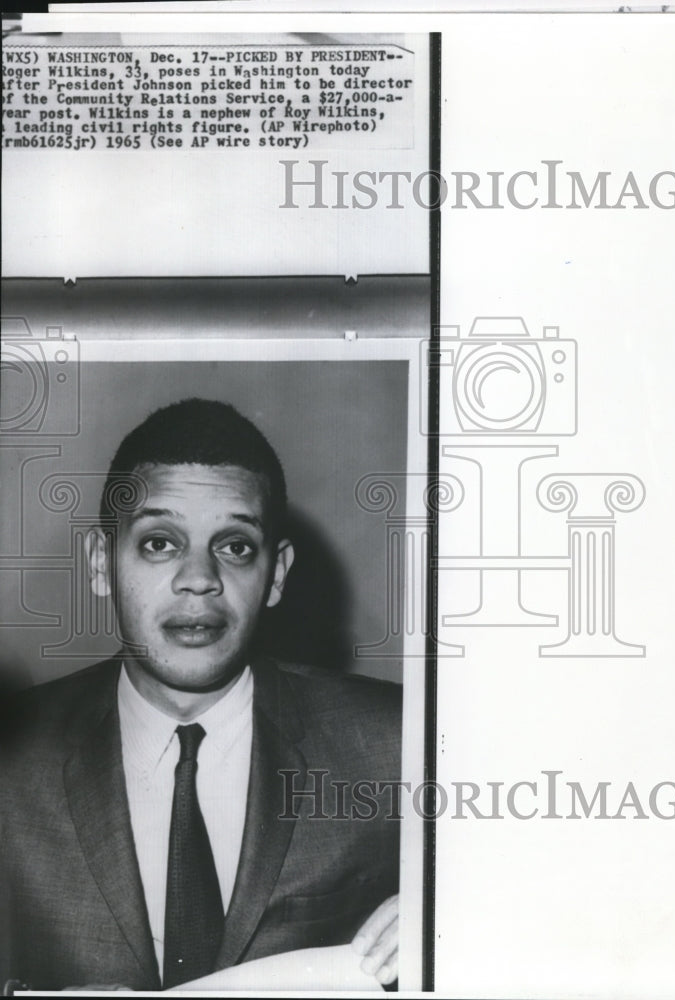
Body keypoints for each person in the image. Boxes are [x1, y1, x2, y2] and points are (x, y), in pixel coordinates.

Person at [0, 398, 402, 992]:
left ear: (278, 574)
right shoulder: (10, 750)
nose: (199, 577)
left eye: (235, 546)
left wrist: (464, 921)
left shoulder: (395, 742)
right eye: (160, 542)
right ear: (99, 563)